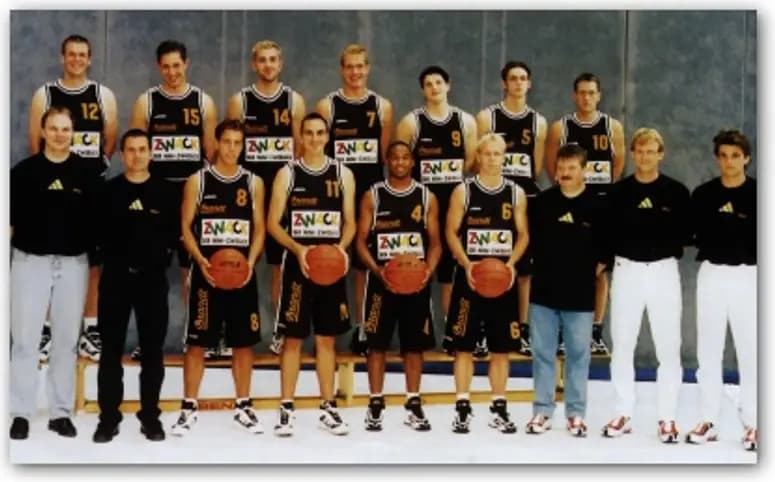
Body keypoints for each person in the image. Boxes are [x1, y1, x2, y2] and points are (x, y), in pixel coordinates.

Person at [170, 120, 266, 436]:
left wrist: (250, 262)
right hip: (207, 274)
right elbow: (185, 227)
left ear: (244, 146)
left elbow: (260, 229)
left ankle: (243, 405)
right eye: (227, 141)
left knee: (243, 343)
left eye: (237, 142)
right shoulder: (198, 181)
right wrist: (200, 260)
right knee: (197, 343)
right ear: (216, 143)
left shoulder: (253, 182)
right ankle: (188, 407)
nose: (231, 148)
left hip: (242, 275)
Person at [10, 106, 100, 440]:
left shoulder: (87, 174)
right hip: (29, 262)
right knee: (25, 340)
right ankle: (20, 412)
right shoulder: (23, 172)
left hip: (73, 265)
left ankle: (60, 412)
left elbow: (97, 224)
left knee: (65, 341)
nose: (60, 135)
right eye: (54, 128)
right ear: (43, 131)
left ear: (72, 133)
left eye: (65, 129)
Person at [28, 34, 119, 363]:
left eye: (82, 55)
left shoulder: (102, 95)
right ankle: (47, 330)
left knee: (92, 262)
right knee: (50, 257)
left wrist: (91, 176)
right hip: (53, 189)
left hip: (89, 190)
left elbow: (110, 141)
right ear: (62, 57)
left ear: (89, 59)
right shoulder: (45, 94)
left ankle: (91, 329)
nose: (77, 60)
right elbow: (35, 143)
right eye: (71, 54)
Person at [267, 113, 356, 437]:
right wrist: (298, 248)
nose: (315, 138)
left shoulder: (343, 173)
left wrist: (340, 250)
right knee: (292, 339)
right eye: (309, 133)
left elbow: (350, 222)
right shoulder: (287, 173)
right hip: (299, 266)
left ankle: (328, 407)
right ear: (301, 137)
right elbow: (273, 224)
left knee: (326, 339)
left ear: (327, 137)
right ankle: (286, 408)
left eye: (320, 133)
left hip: (330, 268)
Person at [129, 39, 218, 360]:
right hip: (156, 198)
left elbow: (211, 154)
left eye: (176, 65)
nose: (172, 72)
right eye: (165, 66)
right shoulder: (146, 102)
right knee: (150, 272)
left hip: (191, 197)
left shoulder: (203, 102)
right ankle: (148, 339)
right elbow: (136, 153)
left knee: (193, 270)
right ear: (158, 67)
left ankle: (199, 336)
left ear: (186, 64)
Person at [602, 128, 690, 443]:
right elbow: (607, 235)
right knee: (622, 344)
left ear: (660, 154)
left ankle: (667, 418)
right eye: (639, 151)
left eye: (651, 151)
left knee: (669, 347)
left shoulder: (676, 192)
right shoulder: (618, 193)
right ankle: (623, 412)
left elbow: (684, 236)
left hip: (663, 272)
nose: (645, 157)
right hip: (627, 271)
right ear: (632, 153)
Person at [92, 129, 178, 443]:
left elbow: (174, 235)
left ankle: (150, 417)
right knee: (110, 351)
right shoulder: (109, 191)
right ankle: (108, 418)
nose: (137, 155)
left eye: (142, 149)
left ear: (151, 153)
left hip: (151, 282)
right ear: (122, 154)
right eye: (131, 150)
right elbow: (97, 236)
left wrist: (155, 260)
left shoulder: (166, 192)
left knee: (153, 351)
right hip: (115, 280)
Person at [445, 133, 529, 434]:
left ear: (504, 157)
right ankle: (462, 407)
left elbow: (523, 235)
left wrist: (510, 265)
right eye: (488, 153)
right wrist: (466, 263)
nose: (493, 159)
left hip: (502, 281)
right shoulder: (463, 191)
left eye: (498, 153)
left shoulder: (516, 193)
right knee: (464, 347)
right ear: (478, 157)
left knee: (501, 348)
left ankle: (499, 406)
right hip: (470, 279)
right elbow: (451, 232)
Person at [355, 141, 442, 432]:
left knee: (414, 346)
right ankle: (375, 402)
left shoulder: (427, 197)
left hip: (415, 284)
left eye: (406, 157)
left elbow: (436, 243)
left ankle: (413, 401)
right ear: (387, 161)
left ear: (413, 162)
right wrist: (377, 270)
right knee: (376, 345)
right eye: (395, 158)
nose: (401, 162)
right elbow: (360, 242)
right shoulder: (373, 196)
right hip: (381, 283)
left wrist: (427, 270)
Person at [524, 143, 608, 438]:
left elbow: (605, 254)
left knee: (578, 356)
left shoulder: (598, 206)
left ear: (584, 170)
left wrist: (584, 274)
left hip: (580, 298)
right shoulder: (542, 203)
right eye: (561, 168)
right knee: (543, 355)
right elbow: (529, 243)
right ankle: (542, 411)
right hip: (544, 295)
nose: (565, 173)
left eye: (572, 167)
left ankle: (576, 414)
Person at [315, 44, 393, 357]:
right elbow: (319, 152)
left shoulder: (382, 106)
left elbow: (383, 156)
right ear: (341, 70)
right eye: (349, 66)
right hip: (333, 195)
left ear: (368, 68)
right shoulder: (327, 105)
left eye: (360, 66)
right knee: (327, 261)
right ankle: (326, 329)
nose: (355, 72)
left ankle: (363, 327)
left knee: (363, 265)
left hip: (369, 195)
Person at [395, 65, 477, 352]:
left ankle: (452, 331)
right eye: (428, 84)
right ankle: (417, 330)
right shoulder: (411, 123)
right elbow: (400, 161)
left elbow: (470, 163)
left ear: (448, 85)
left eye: (438, 82)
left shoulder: (465, 121)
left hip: (455, 204)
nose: (434, 88)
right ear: (423, 90)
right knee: (419, 267)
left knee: (449, 273)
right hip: (421, 206)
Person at [226, 40, 305, 332]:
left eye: (273, 60)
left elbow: (299, 149)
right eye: (262, 60)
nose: (268, 65)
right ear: (254, 64)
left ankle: (280, 330)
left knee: (278, 266)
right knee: (231, 259)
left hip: (281, 193)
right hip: (244, 192)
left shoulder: (294, 101)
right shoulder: (240, 101)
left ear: (280, 63)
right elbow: (230, 149)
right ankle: (225, 330)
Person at [545, 72, 625, 356]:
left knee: (599, 270)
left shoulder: (612, 127)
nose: (587, 97)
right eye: (582, 92)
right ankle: (563, 333)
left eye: (592, 92)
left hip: (599, 208)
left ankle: (595, 331)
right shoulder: (561, 127)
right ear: (574, 95)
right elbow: (551, 167)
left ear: (599, 95)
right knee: (564, 267)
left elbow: (616, 167)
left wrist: (598, 196)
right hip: (569, 205)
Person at [686, 130, 757, 451]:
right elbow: (693, 236)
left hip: (749, 276)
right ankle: (708, 420)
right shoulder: (703, 195)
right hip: (712, 275)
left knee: (751, 352)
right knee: (709, 351)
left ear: (747, 158)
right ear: (717, 159)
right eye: (724, 156)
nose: (729, 162)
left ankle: (755, 422)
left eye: (736, 156)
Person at [476, 60, 547, 357]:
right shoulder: (487, 117)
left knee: (524, 270)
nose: (518, 83)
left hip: (523, 197)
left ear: (529, 83)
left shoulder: (539, 121)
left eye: (523, 78)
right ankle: (480, 331)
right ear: (504, 83)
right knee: (486, 263)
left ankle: (522, 330)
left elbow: (537, 167)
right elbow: (478, 159)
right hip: (490, 196)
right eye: (513, 78)